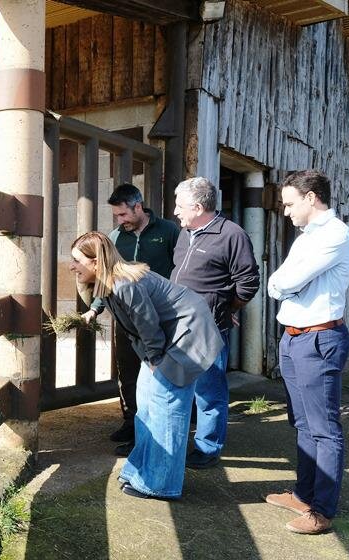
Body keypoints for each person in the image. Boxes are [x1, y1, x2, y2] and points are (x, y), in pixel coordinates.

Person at [70, 231, 223, 500]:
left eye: (77, 261)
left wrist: (155, 361)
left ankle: (162, 484)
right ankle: (141, 469)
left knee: (167, 409)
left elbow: (148, 326)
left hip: (185, 335)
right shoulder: (109, 283)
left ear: (96, 262)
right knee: (147, 406)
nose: (72, 266)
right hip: (166, 339)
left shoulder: (124, 285)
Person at [265, 170, 349, 535]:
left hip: (319, 340)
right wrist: (283, 283)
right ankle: (303, 494)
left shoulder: (335, 234)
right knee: (302, 424)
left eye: (289, 203)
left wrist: (284, 283)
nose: (285, 211)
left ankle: (322, 511)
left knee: (324, 429)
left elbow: (285, 281)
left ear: (312, 197)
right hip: (294, 337)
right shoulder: (307, 237)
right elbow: (278, 282)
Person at [82, 184, 180, 456]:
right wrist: (95, 307)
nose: (119, 220)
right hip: (127, 319)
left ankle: (152, 430)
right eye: (116, 215)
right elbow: (107, 275)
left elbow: (181, 268)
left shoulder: (168, 231)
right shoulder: (116, 237)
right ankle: (130, 422)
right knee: (127, 372)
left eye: (123, 214)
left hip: (159, 316)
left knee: (157, 372)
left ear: (138, 207)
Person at [171, 177, 259, 469]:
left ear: (197, 206)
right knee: (175, 388)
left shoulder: (232, 234)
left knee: (209, 391)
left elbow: (248, 283)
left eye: (180, 206)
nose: (175, 211)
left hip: (208, 329)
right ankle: (174, 442)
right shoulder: (185, 233)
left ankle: (208, 448)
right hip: (177, 325)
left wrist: (225, 307)